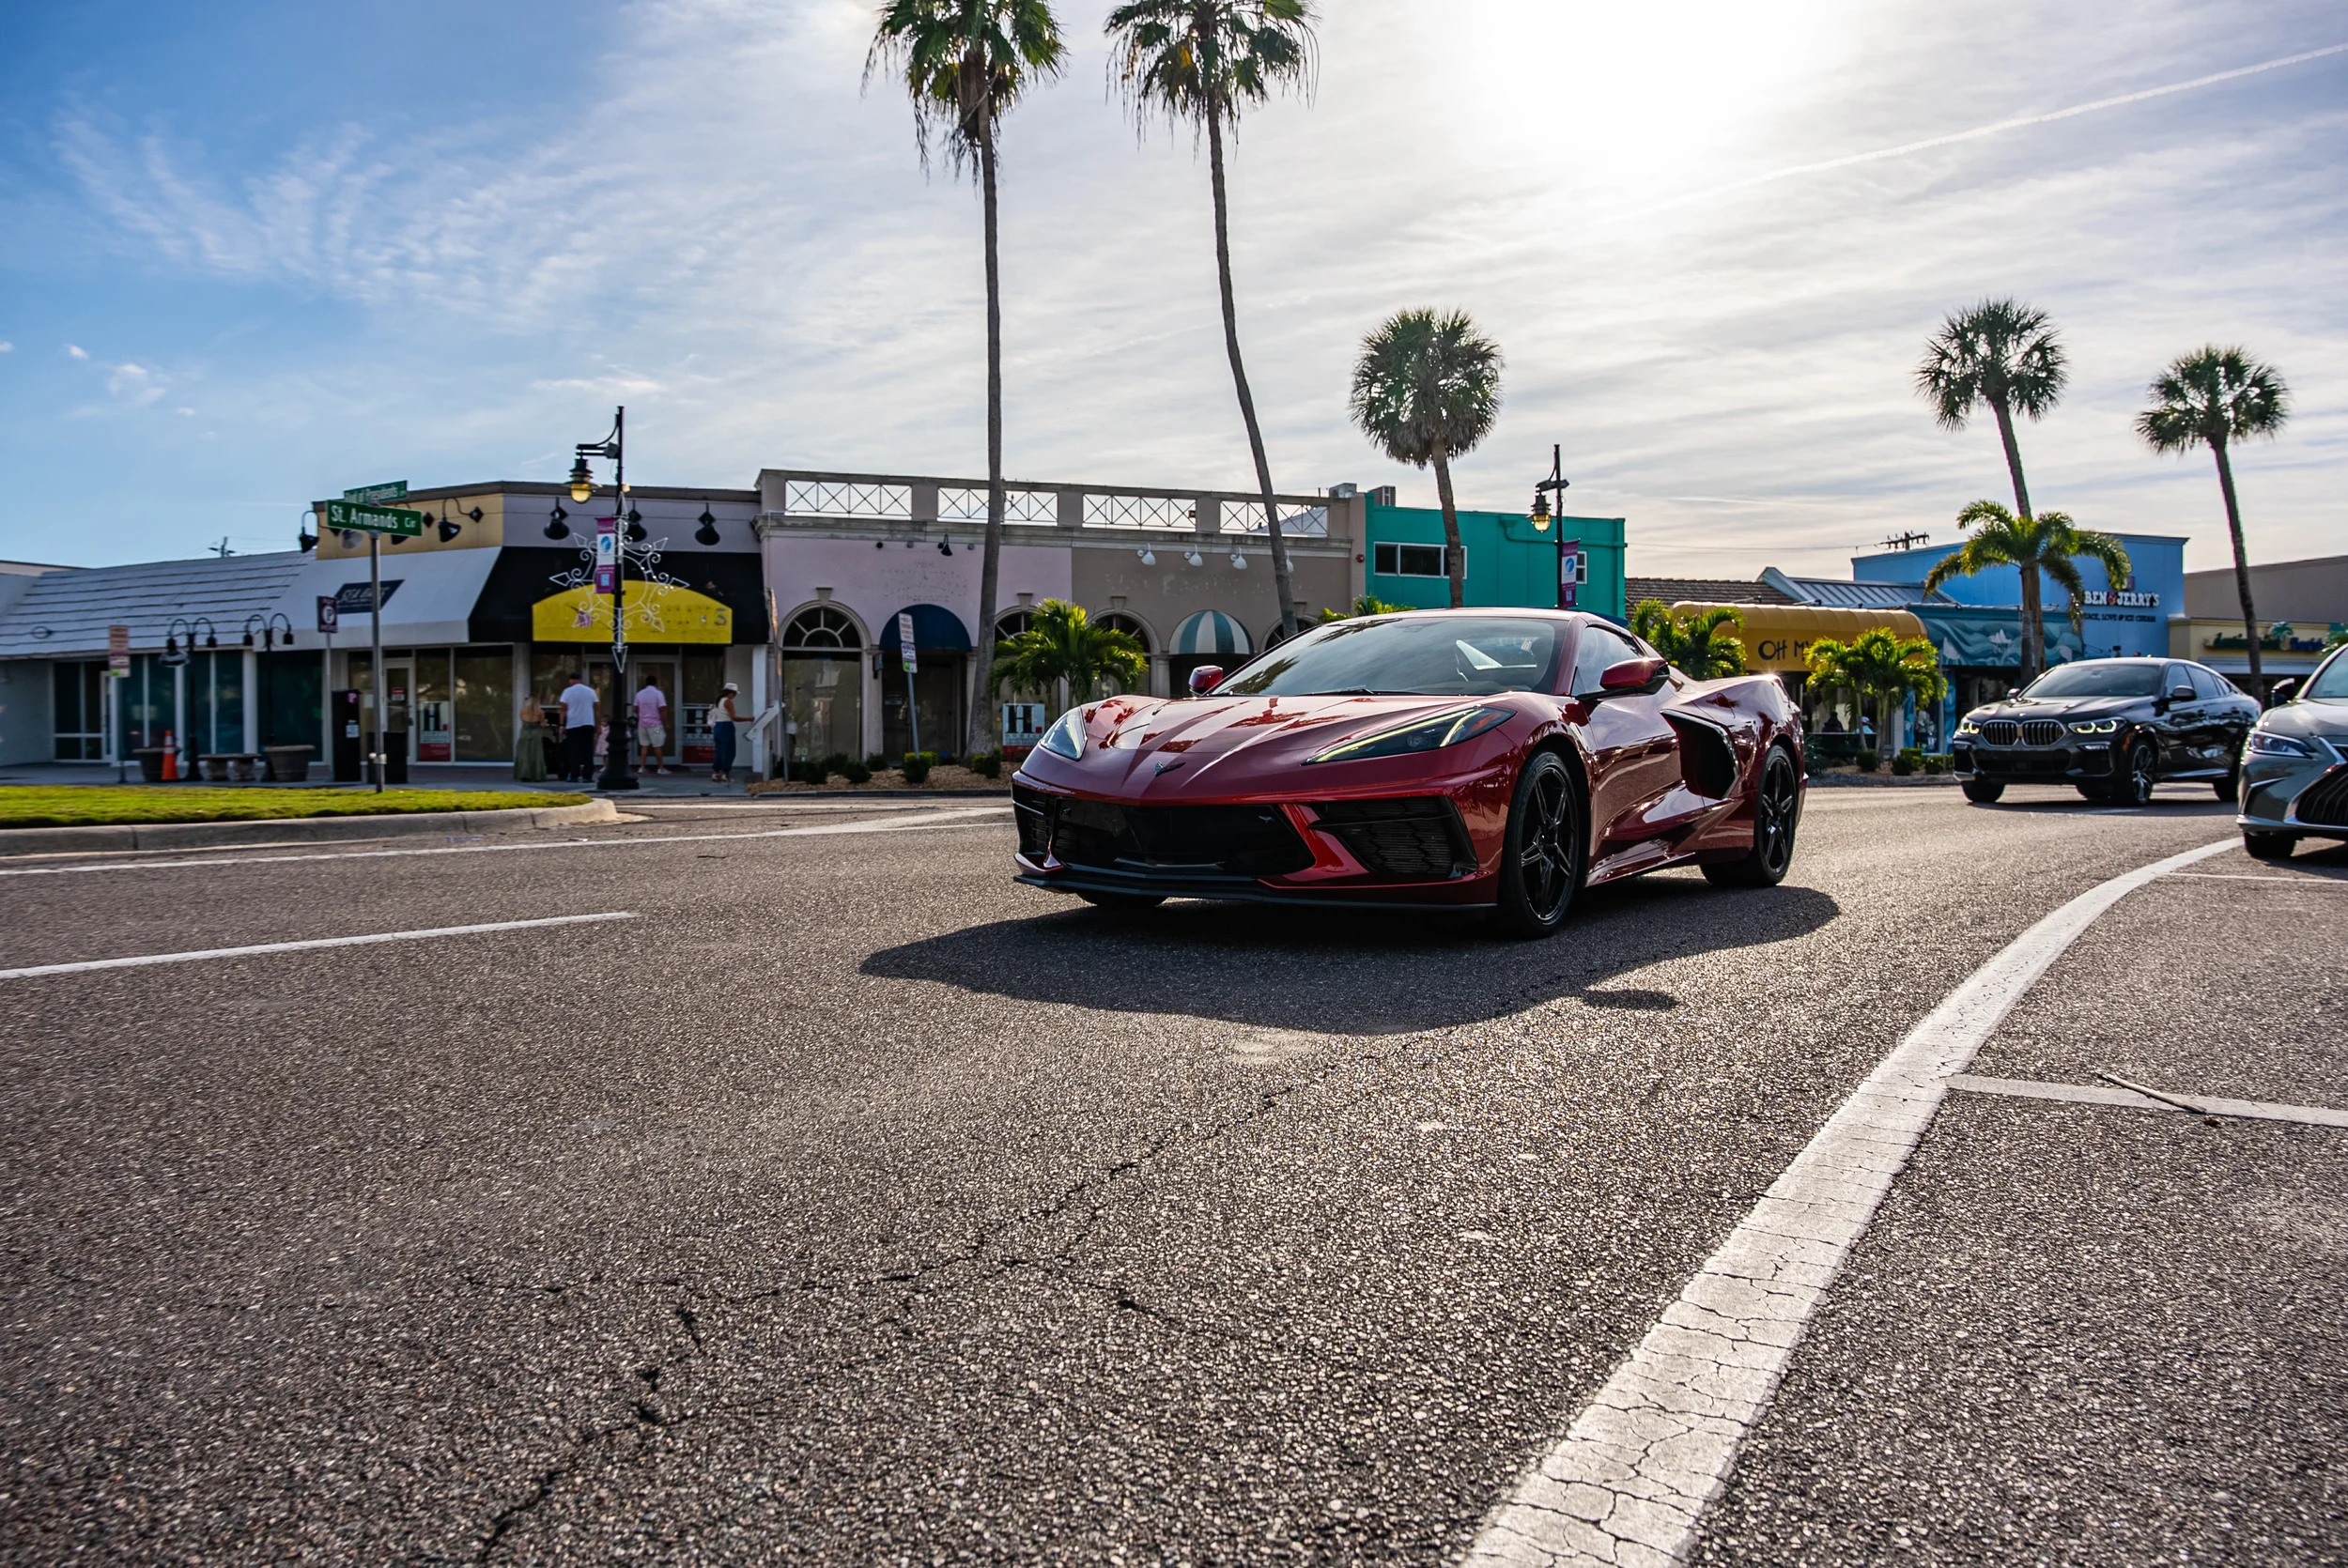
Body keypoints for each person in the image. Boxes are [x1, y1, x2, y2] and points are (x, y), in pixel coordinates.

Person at [558, 671, 597, 782]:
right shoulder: (590, 691)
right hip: (588, 723)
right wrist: (597, 723)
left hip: (573, 724)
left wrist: (562, 724)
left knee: (573, 751)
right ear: (580, 680)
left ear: (571, 680)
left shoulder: (567, 692)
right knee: (588, 751)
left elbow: (563, 709)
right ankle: (588, 775)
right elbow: (596, 708)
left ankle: (574, 774)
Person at [634, 677, 671, 776]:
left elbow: (635, 709)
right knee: (657, 745)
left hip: (642, 725)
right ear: (656, 682)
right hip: (656, 725)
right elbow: (662, 709)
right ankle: (660, 768)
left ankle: (642, 767)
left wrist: (641, 716)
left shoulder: (639, 694)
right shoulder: (658, 694)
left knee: (644, 745)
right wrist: (665, 723)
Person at [513, 692, 549, 782]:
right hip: (535, 734)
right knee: (536, 754)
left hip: (525, 733)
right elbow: (542, 724)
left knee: (524, 754)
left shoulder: (523, 710)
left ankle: (523, 774)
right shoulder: (540, 712)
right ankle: (536, 775)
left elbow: (522, 719)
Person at [710, 682, 742, 783]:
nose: (735, 696)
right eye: (735, 693)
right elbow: (733, 717)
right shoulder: (728, 702)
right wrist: (749, 719)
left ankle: (716, 773)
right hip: (726, 726)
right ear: (731, 693)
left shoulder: (718, 701)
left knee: (719, 751)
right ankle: (725, 774)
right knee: (729, 751)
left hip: (718, 726)